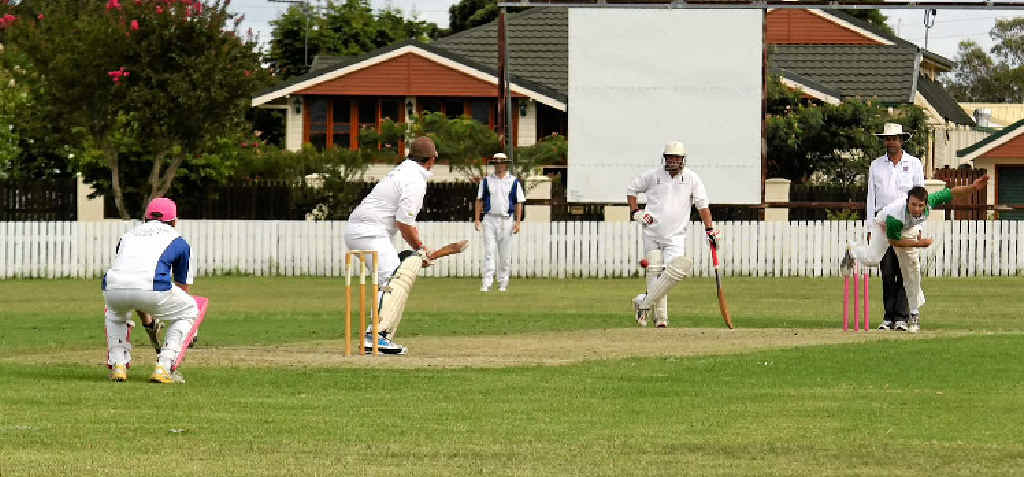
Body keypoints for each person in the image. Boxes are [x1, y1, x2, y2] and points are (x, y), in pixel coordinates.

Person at [843, 175, 989, 333]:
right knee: (873, 259)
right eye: (913, 205)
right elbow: (894, 242)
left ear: (926, 204)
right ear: (907, 202)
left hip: (907, 228)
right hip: (885, 226)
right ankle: (853, 250)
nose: (917, 209)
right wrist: (919, 244)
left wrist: (972, 188)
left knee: (912, 271)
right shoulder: (895, 216)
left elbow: (952, 193)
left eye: (920, 205)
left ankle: (913, 314)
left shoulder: (930, 202)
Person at [344, 136, 437, 354]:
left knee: (392, 274)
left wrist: (414, 251)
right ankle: (375, 336)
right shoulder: (414, 180)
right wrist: (421, 249)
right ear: (432, 159)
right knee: (393, 278)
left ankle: (377, 335)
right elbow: (404, 222)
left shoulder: (404, 172)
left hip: (362, 230)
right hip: (369, 231)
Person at [102, 197, 198, 383]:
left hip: (113, 288)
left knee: (115, 314)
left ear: (145, 219)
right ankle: (164, 365)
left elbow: (131, 280)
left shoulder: (127, 236)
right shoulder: (179, 241)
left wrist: (147, 318)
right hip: (152, 288)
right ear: (174, 221)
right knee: (189, 310)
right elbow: (182, 287)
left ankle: (118, 365)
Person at [626, 141, 718, 328]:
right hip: (651, 233)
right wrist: (636, 212)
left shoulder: (692, 178)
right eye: (669, 158)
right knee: (655, 273)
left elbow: (702, 206)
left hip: (675, 236)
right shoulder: (653, 176)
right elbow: (631, 190)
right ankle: (661, 319)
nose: (673, 161)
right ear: (664, 158)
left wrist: (709, 229)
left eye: (676, 158)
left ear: (683, 160)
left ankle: (643, 303)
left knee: (672, 273)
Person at [865, 122, 925, 332]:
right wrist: (870, 229)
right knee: (888, 271)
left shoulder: (914, 163)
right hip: (882, 224)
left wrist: (919, 225)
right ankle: (888, 316)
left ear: (901, 140)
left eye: (894, 138)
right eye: (887, 139)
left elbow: (921, 196)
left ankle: (901, 316)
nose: (890, 142)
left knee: (905, 270)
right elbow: (871, 200)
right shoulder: (875, 166)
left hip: (906, 224)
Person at [474, 152, 525, 292]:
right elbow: (479, 200)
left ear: (505, 164)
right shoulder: (486, 181)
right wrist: (477, 219)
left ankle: (503, 283)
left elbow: (519, 203)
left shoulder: (513, 181)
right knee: (489, 252)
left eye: (501, 162)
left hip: (506, 220)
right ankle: (487, 283)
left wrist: (518, 222)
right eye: (496, 162)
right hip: (489, 219)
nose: (498, 165)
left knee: (505, 254)